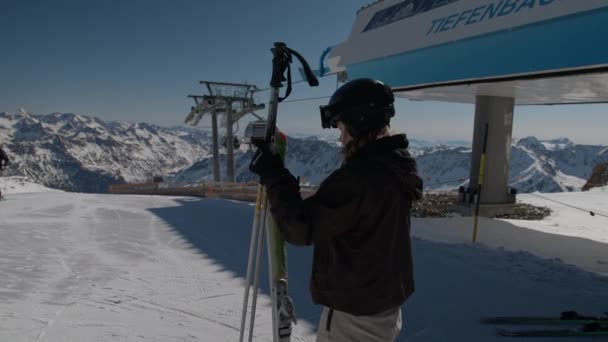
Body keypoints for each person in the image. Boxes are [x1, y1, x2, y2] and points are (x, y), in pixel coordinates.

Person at [249, 78, 423, 341]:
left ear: (358, 122)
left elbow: (300, 228)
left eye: (342, 126)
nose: (340, 135)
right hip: (381, 305)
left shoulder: (360, 178)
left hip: (356, 313)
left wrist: (274, 175)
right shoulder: (395, 167)